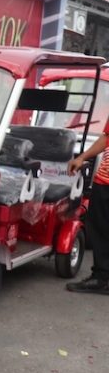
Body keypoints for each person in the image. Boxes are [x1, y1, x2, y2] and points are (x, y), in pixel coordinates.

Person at [65, 123, 109, 294]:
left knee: (102, 231)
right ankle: (102, 277)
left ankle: (102, 278)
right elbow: (107, 138)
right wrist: (82, 157)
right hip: (104, 180)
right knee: (100, 230)